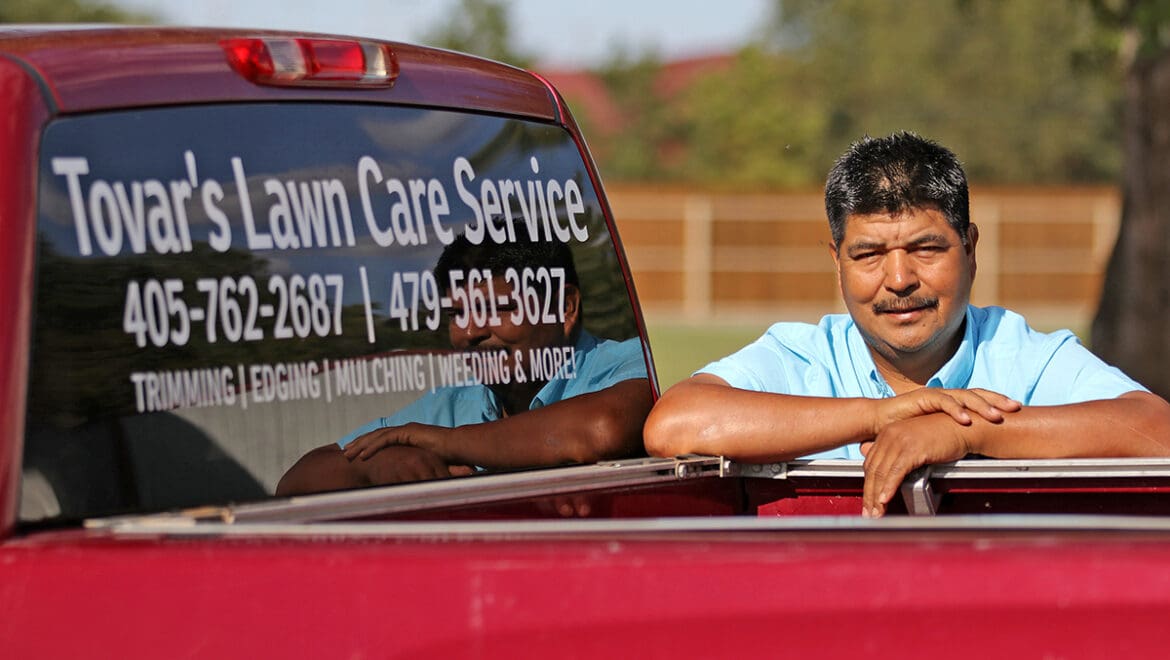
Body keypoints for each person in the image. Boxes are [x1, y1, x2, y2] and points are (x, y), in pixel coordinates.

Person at [643, 131, 1170, 518]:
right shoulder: (803, 356)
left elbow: (1157, 431)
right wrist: (880, 417)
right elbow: (674, 426)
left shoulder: (1022, 355)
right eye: (868, 254)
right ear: (837, 262)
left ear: (970, 248)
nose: (898, 279)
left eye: (926, 248)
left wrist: (968, 432)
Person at [277, 230, 651, 495]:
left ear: (563, 307)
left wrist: (444, 444)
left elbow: (603, 429)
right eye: (456, 313)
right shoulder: (457, 403)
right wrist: (376, 465)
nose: (469, 331)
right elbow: (296, 482)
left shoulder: (625, 363)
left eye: (494, 309)